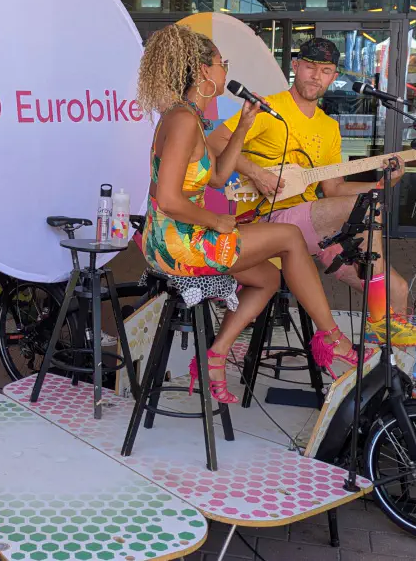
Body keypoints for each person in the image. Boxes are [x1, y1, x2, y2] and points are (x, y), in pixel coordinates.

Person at [136, 25, 359, 405]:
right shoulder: (183, 120)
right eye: (222, 63)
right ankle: (332, 338)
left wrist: (243, 127)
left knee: (269, 277)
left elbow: (220, 177)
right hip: (178, 244)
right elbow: (168, 198)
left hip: (181, 238)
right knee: (289, 239)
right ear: (204, 71)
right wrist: (217, 221)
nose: (226, 70)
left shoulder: (188, 117)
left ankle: (216, 354)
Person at [204, 38, 416, 348]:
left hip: (314, 222)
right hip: (267, 218)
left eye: (326, 71)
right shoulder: (270, 108)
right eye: (310, 67)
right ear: (296, 67)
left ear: (333, 75)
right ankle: (379, 320)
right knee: (368, 210)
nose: (316, 77)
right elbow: (215, 142)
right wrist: (257, 173)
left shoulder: (329, 127)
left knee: (397, 288)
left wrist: (380, 185)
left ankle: (389, 377)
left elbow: (334, 189)